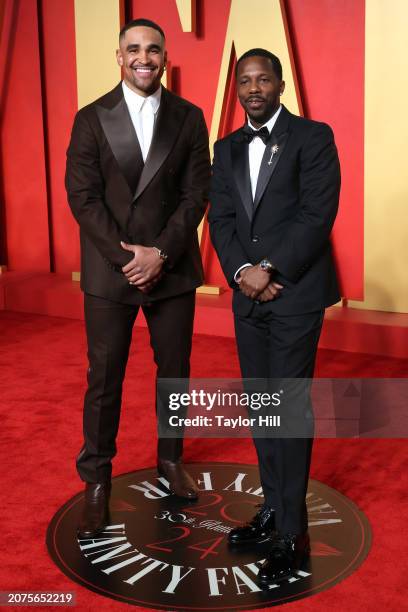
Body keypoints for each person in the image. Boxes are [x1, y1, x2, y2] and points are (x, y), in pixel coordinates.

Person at [65, 18, 210, 538]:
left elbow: (197, 194)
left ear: (165, 57)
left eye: (153, 49)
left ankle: (170, 460)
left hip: (170, 269)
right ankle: (97, 480)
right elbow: (83, 197)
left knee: (174, 373)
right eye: (133, 49)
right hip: (112, 271)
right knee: (104, 381)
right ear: (119, 57)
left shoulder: (190, 118)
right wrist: (129, 258)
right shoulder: (90, 119)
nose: (143, 57)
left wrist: (160, 254)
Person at [208, 48, 340, 583]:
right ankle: (271, 512)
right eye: (246, 80)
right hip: (247, 295)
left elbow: (317, 213)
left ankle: (293, 529)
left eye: (264, 78)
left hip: (296, 294)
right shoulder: (227, 147)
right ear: (237, 89)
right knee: (262, 407)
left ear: (281, 84)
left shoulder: (313, 136)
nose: (254, 87)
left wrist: (267, 267)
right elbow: (220, 218)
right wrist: (242, 270)